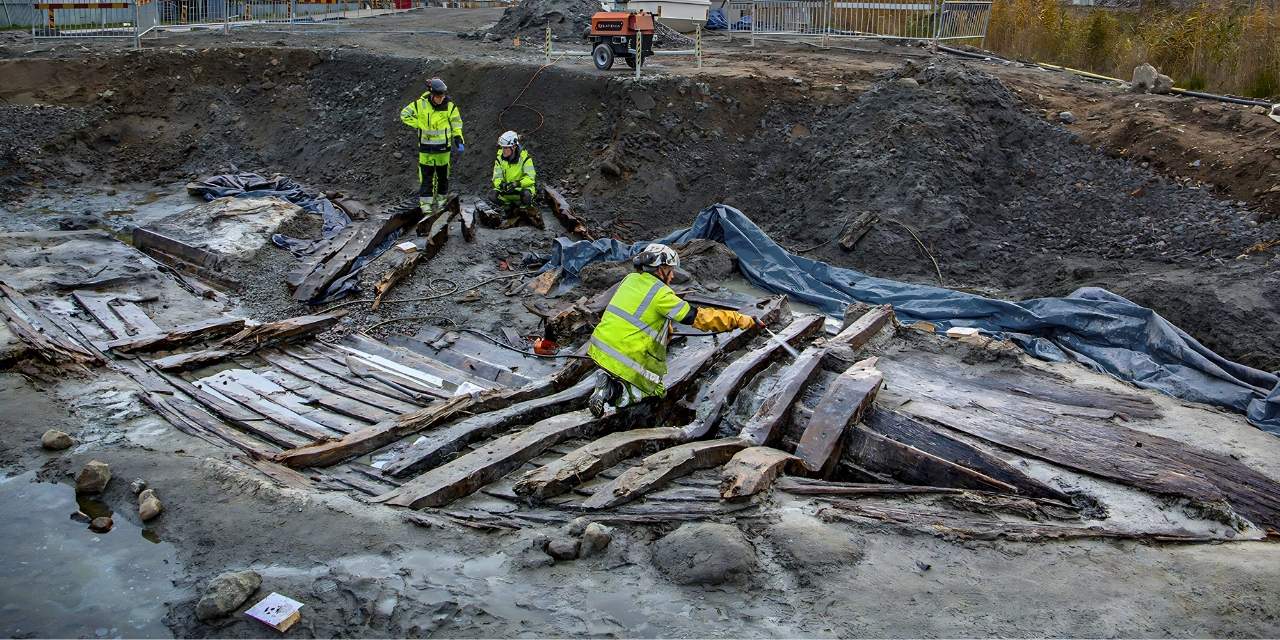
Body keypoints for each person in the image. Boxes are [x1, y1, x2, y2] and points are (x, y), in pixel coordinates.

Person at [587, 243, 762, 417]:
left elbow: (641, 314)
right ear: (661, 269)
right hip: (626, 356)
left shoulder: (630, 280)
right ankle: (613, 391)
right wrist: (740, 319)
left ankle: (607, 378)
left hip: (600, 347)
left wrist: (666, 329)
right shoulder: (661, 294)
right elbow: (698, 318)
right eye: (670, 270)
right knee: (653, 393)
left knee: (630, 376)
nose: (671, 277)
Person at [400, 78, 464, 213]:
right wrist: (418, 124)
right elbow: (404, 114)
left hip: (443, 150)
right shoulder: (420, 105)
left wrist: (458, 138)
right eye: (438, 96)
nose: (441, 99)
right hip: (426, 150)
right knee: (426, 178)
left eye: (443, 96)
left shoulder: (450, 107)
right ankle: (426, 205)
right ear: (432, 94)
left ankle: (441, 202)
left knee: (442, 177)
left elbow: (456, 124)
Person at [491, 130, 541, 229]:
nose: (503, 150)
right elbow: (496, 178)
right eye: (502, 147)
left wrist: (517, 184)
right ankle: (508, 208)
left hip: (520, 190)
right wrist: (501, 185)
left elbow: (531, 178)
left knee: (527, 195)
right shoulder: (500, 158)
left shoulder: (525, 158)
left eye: (506, 148)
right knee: (492, 195)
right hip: (507, 189)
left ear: (513, 147)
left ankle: (524, 211)